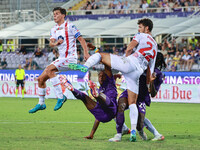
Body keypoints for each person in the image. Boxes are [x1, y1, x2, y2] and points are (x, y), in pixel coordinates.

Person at [69, 18, 157, 142]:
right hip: (138, 72)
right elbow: (150, 70)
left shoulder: (141, 35)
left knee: (100, 56)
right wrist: (149, 82)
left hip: (131, 62)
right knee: (132, 103)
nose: (139, 29)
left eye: (140, 27)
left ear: (146, 28)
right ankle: (132, 132)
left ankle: (85, 66)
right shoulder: (155, 45)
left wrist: (125, 61)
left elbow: (129, 48)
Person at [29, 7, 89, 113]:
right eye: (54, 14)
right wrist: (55, 43)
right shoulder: (54, 29)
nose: (54, 16)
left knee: (49, 70)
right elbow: (51, 43)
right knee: (40, 79)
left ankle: (61, 97)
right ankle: (41, 103)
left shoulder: (70, 26)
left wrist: (86, 52)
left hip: (70, 58)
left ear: (63, 15)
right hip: (61, 59)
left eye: (57, 14)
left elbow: (81, 39)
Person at [60, 64, 129, 140]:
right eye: (99, 76)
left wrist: (98, 59)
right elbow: (97, 119)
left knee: (108, 103)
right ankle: (72, 89)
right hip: (102, 115)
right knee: (84, 97)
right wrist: (91, 134)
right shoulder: (100, 89)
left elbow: (107, 65)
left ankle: (98, 96)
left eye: (103, 76)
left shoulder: (110, 82)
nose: (101, 78)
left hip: (111, 110)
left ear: (107, 77)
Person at [109, 52, 166, 142]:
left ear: (157, 60)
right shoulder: (140, 65)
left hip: (141, 98)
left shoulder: (157, 74)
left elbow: (153, 94)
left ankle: (142, 132)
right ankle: (118, 134)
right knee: (121, 106)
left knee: (139, 124)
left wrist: (151, 82)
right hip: (129, 92)